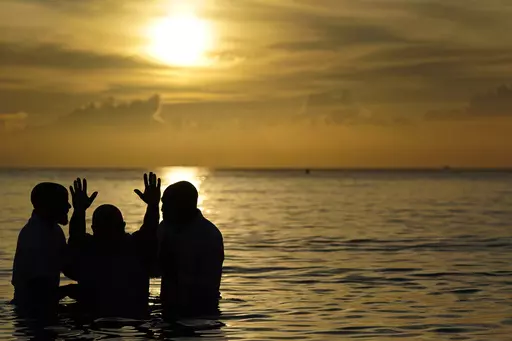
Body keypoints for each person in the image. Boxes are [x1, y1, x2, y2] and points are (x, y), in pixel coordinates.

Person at [66, 173, 160, 318]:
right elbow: (150, 229)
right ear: (123, 226)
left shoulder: (88, 249)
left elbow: (76, 236)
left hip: (92, 316)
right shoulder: (135, 247)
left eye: (111, 227)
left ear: (93, 228)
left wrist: (79, 211)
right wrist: (152, 206)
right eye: (105, 227)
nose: (108, 232)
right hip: (132, 315)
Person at [159, 181, 224, 318]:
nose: (162, 209)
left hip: (200, 312)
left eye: (167, 204)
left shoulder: (208, 235)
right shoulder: (165, 227)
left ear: (183, 205)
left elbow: (204, 284)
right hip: (169, 309)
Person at [11, 182, 72, 318]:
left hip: (42, 309)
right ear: (48, 205)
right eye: (63, 202)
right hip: (31, 313)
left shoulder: (55, 230)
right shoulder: (35, 236)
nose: (69, 206)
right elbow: (37, 291)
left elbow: (69, 266)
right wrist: (69, 290)